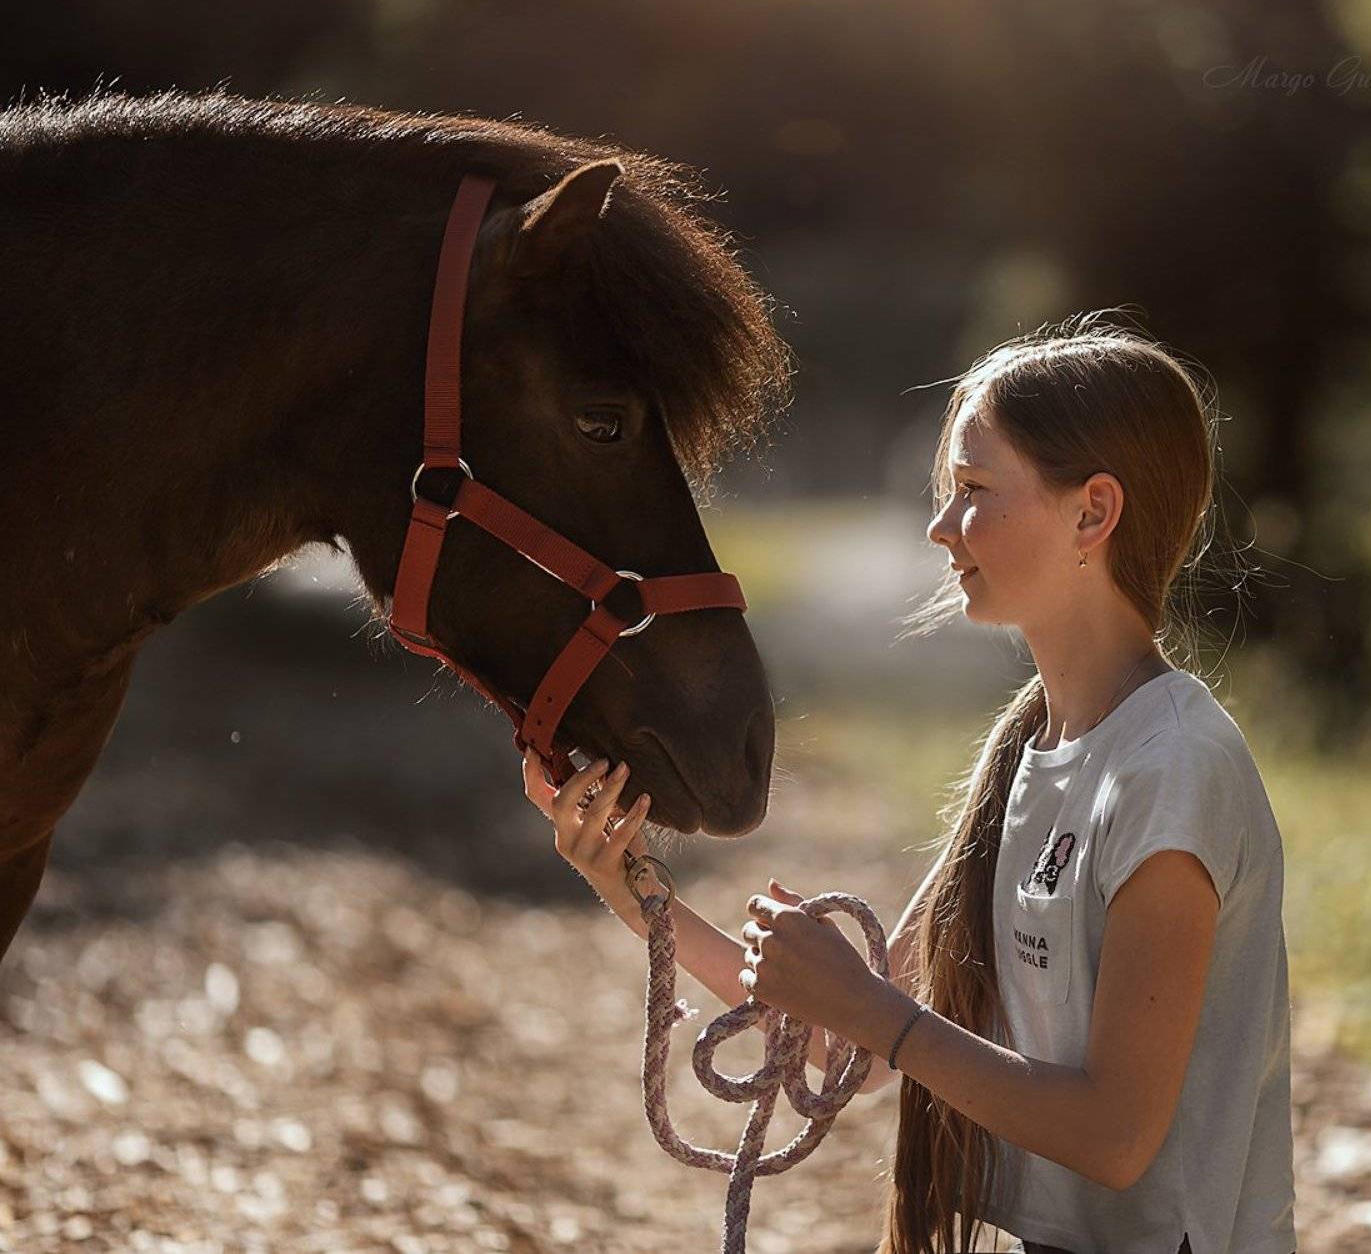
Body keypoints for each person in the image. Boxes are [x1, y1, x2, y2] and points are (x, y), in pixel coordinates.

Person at [522, 312, 1296, 1254]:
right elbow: (831, 1039)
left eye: (973, 489)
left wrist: (870, 1011)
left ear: (1093, 512)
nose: (939, 528)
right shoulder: (1029, 748)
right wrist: (629, 882)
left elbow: (1116, 1137)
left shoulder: (1174, 769)